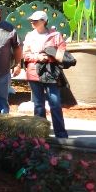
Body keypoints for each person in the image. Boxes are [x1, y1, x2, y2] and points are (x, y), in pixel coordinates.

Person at [22, 10, 69, 138]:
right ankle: (39, 134)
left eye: (35, 20)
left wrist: (50, 57)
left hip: (51, 73)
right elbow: (25, 54)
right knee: (38, 105)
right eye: (31, 20)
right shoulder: (29, 35)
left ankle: (61, 134)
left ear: (44, 21)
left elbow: (62, 52)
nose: (32, 22)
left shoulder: (56, 35)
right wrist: (38, 57)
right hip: (34, 72)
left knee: (55, 103)